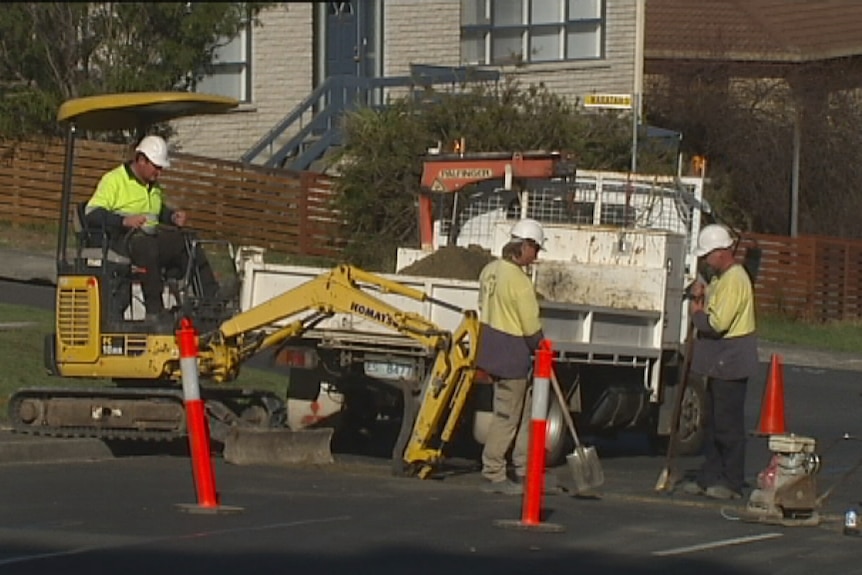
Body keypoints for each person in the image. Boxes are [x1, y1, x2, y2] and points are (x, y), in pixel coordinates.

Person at [85, 135, 219, 323]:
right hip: (121, 241)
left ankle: (211, 301)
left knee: (189, 241)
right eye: (156, 167)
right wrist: (123, 221)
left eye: (161, 167)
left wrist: (172, 217)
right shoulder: (114, 180)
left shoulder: (153, 187)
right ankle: (155, 311)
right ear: (141, 160)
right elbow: (91, 213)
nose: (159, 172)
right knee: (146, 246)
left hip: (149, 237)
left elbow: (157, 211)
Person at [680, 223, 758, 500]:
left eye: (708, 255)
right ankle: (710, 475)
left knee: (728, 425)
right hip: (720, 362)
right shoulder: (721, 279)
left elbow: (717, 323)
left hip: (731, 361)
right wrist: (702, 296)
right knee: (712, 423)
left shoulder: (735, 279)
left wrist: (697, 314)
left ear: (720, 252)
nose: (706, 261)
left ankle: (731, 480)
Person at [475, 218, 546, 495]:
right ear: (524, 246)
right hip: (512, 355)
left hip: (491, 347)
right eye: (536, 249)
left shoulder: (489, 270)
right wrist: (541, 345)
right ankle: (493, 472)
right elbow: (530, 326)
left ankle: (522, 469)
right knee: (507, 416)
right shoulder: (520, 282)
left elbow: (483, 305)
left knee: (526, 413)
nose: (536, 256)